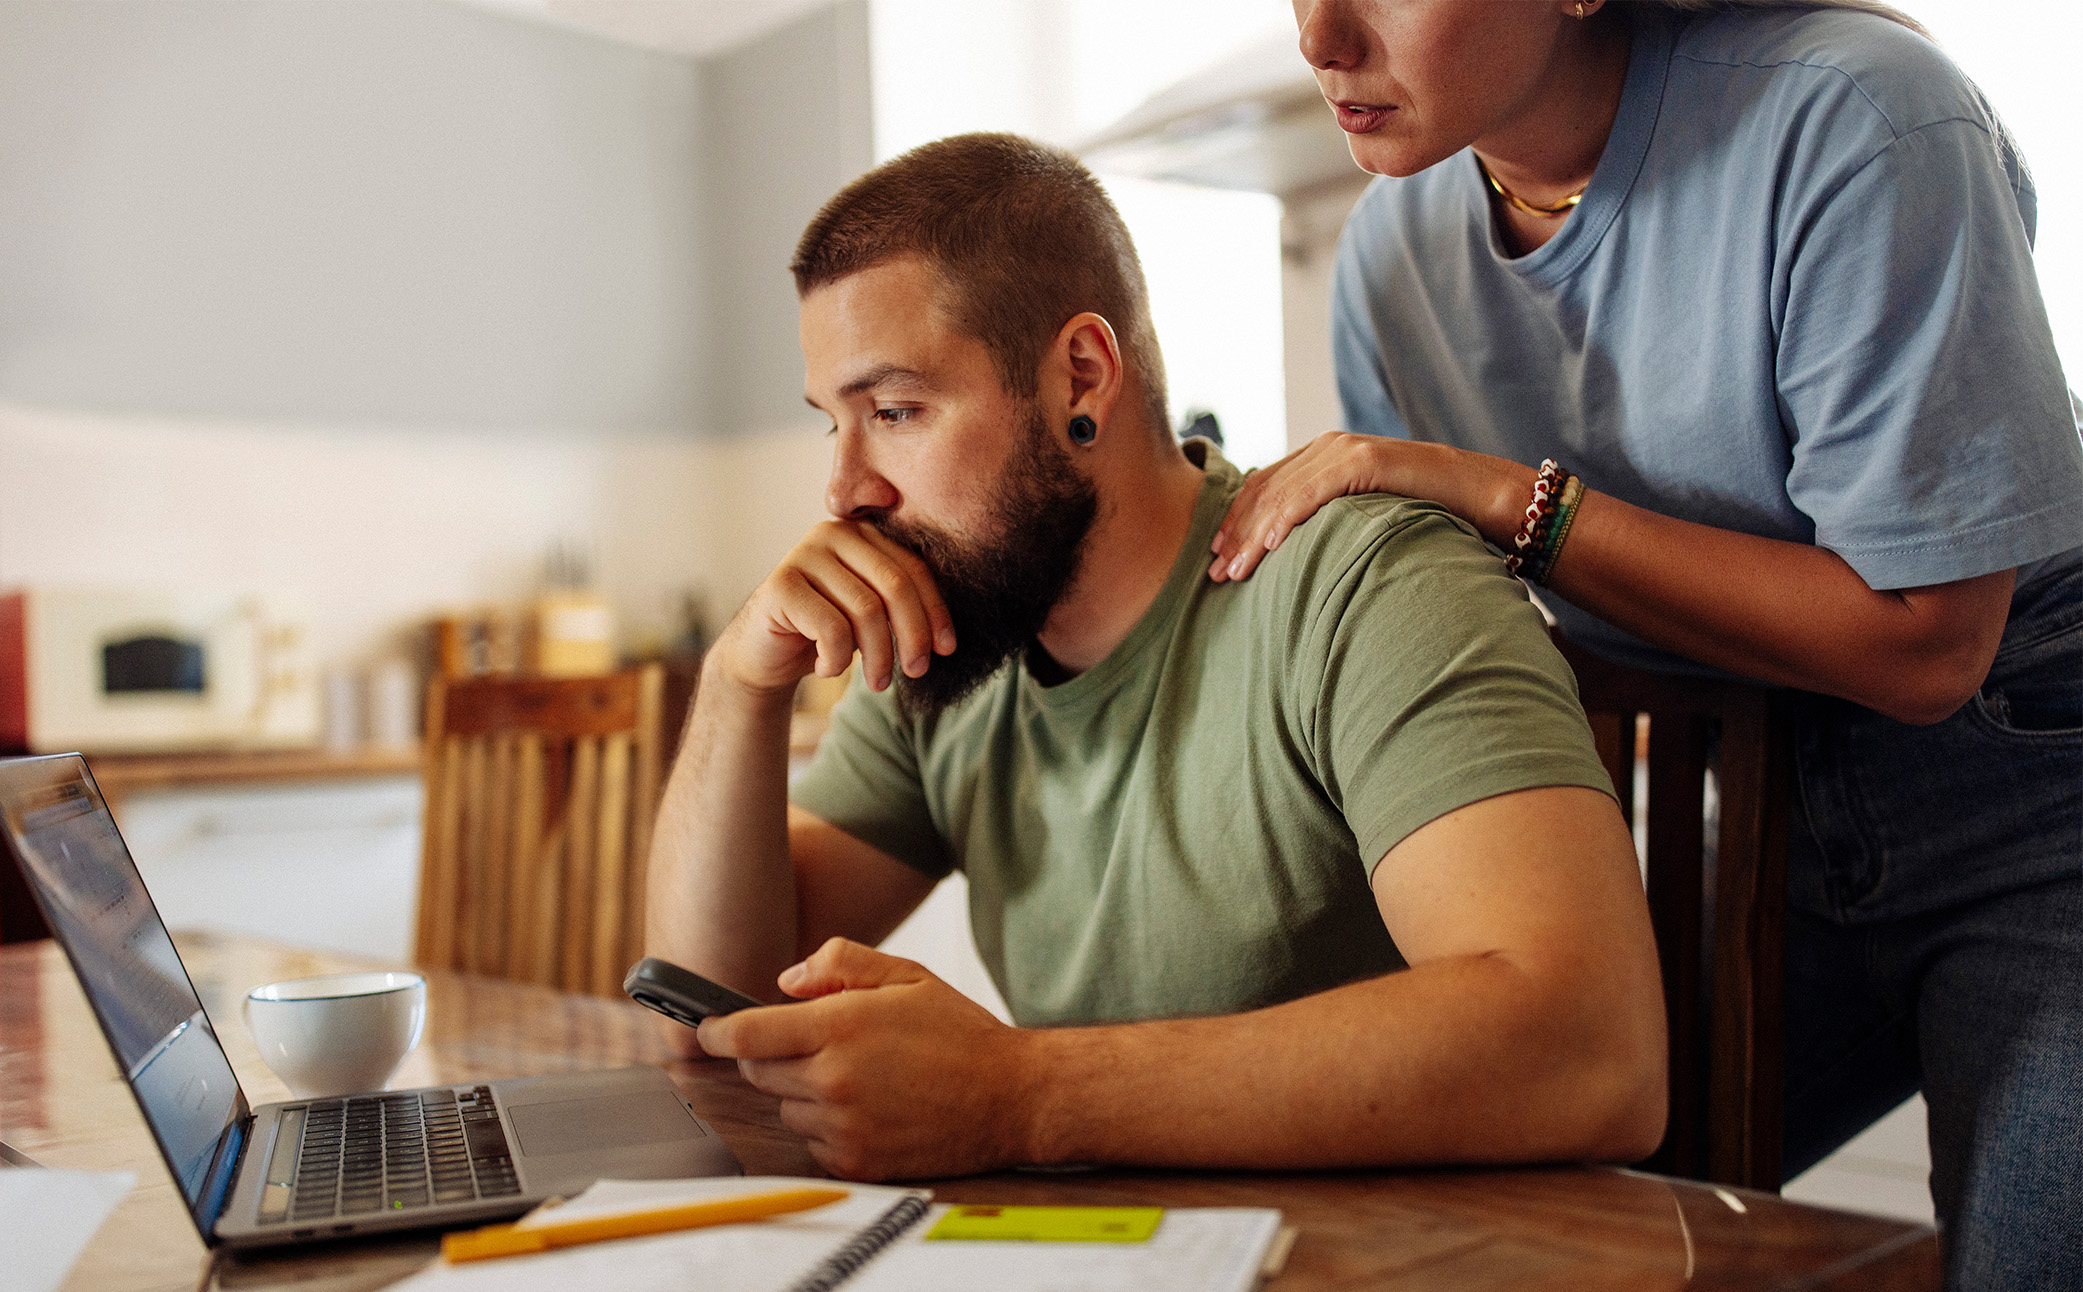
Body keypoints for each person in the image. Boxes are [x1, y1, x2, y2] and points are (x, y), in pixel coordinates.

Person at [1207, 3, 2083, 1287]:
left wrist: (1508, 497)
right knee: (1478, 1205)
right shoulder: (1391, 253)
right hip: (1756, 796)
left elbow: (1927, 649)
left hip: (2037, 784)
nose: (1321, 38)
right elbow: (1474, 655)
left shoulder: (1860, 114)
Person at [644, 132, 1668, 1183]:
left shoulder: (1363, 582)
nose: (844, 490)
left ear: (1078, 376)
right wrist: (737, 684)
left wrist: (1019, 1094)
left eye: (894, 410)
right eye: (835, 425)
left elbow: (1590, 1048)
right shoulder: (952, 638)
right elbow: (714, 1008)